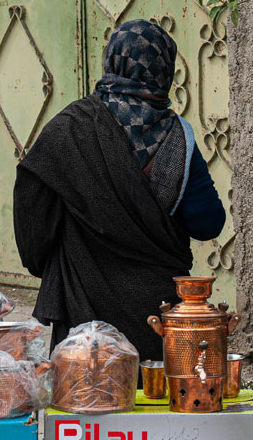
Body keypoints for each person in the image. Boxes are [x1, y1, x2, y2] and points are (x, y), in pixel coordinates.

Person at [13, 19, 226, 359]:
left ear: (112, 60)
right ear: (165, 69)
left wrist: (52, 262)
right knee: (156, 403)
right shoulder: (178, 139)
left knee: (87, 403)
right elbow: (208, 224)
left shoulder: (69, 128)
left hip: (84, 316)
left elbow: (32, 213)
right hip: (155, 315)